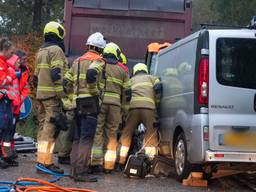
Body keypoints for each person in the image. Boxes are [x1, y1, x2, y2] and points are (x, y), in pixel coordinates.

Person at [64, 32, 106, 182]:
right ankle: (81, 172)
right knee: (86, 138)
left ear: (88, 45)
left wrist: (71, 97)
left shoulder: (77, 61)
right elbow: (91, 75)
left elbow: (66, 81)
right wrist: (96, 92)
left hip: (76, 103)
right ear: (100, 48)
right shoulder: (99, 60)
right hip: (90, 103)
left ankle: (74, 170)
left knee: (77, 137)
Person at [90, 42, 131, 173]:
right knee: (112, 134)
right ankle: (108, 165)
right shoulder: (123, 70)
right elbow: (127, 93)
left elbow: (91, 78)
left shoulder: (101, 64)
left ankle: (96, 162)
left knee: (98, 131)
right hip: (115, 106)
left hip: (101, 102)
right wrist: (125, 110)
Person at [34, 21, 67, 173]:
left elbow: (35, 78)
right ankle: (44, 163)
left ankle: (42, 160)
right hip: (52, 97)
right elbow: (57, 74)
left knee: (43, 128)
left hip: (41, 96)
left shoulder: (40, 51)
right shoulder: (56, 50)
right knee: (50, 129)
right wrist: (62, 96)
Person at [118, 63, 162, 165]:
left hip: (133, 109)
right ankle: (150, 162)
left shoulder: (131, 80)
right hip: (149, 109)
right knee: (151, 134)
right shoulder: (153, 78)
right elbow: (158, 89)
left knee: (127, 133)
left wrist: (124, 113)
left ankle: (120, 160)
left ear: (135, 71)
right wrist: (157, 105)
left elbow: (126, 95)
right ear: (145, 70)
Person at [0, 37, 16, 169]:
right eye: (11, 52)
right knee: (2, 129)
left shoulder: (4, 63)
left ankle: (6, 156)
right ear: (4, 50)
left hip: (6, 101)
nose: (12, 55)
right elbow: (1, 82)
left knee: (7, 129)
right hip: (1, 102)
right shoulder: (1, 63)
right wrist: (11, 76)